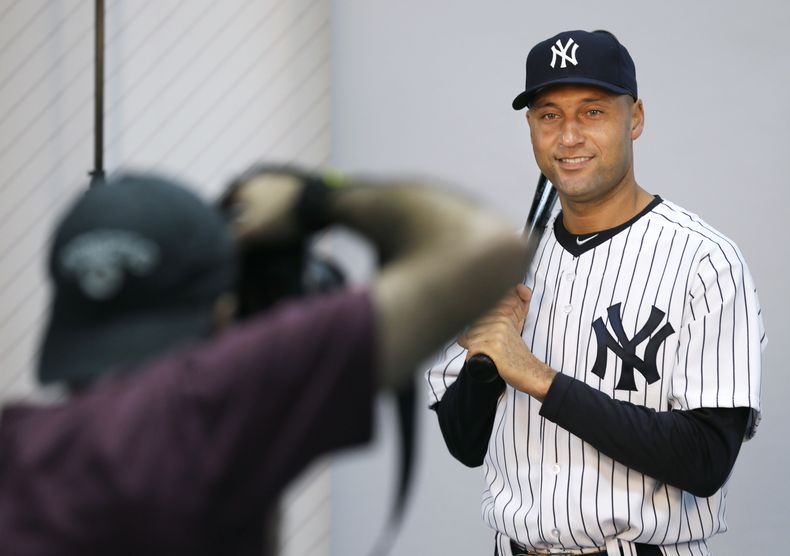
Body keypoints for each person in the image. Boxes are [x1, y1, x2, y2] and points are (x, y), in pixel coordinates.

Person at [0, 168, 527, 555]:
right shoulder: (209, 408)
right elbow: (483, 244)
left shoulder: (16, 444)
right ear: (220, 304)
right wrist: (315, 199)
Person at [426, 29, 765, 556]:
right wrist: (483, 364)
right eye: (549, 115)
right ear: (531, 127)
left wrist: (538, 378)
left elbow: (705, 460)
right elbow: (465, 444)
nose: (568, 137)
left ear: (635, 118)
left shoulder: (705, 261)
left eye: (592, 112)